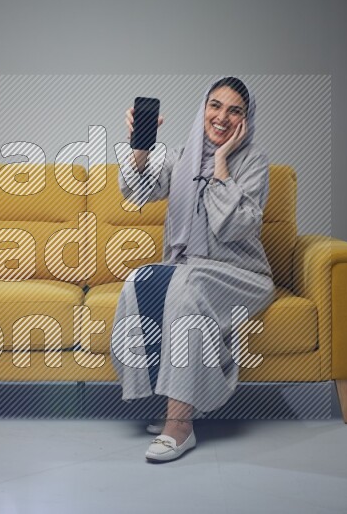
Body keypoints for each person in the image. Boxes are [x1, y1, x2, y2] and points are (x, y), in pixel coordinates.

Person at [111, 77, 275, 463]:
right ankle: (174, 400)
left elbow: (236, 226)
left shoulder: (254, 161)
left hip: (241, 273)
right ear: (203, 108)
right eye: (215, 105)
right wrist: (140, 147)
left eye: (235, 110)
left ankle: (180, 426)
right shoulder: (181, 156)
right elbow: (136, 191)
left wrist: (220, 165)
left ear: (246, 119)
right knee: (140, 281)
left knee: (186, 286)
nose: (222, 117)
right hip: (189, 270)